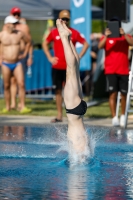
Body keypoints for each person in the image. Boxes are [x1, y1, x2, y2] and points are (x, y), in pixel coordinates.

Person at [42, 10, 89, 123]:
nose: (65, 21)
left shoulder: (73, 32)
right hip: (58, 66)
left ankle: (73, 115)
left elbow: (86, 44)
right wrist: (50, 57)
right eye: (63, 19)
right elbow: (44, 43)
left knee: (73, 92)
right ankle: (59, 115)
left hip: (69, 68)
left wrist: (79, 56)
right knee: (58, 91)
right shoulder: (54, 32)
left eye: (67, 19)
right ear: (59, 19)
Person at [56, 19, 90, 163]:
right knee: (71, 70)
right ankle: (65, 37)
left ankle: (68, 38)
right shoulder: (79, 156)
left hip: (79, 112)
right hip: (73, 111)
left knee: (73, 70)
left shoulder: (85, 151)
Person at [98, 19, 133, 127]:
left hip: (123, 70)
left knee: (124, 94)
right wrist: (107, 36)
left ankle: (123, 115)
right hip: (111, 70)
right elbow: (99, 46)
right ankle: (114, 117)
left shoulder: (125, 37)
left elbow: (131, 43)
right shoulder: (106, 37)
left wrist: (125, 35)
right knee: (112, 93)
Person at [0, 15, 31, 113]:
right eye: (12, 24)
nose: (14, 25)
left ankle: (23, 106)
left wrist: (25, 54)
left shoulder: (19, 34)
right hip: (6, 63)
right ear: (7, 24)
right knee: (6, 85)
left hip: (17, 62)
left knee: (21, 84)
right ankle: (8, 107)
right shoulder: (2, 35)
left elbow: (29, 42)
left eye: (15, 23)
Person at [9, 7, 33, 110]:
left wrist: (30, 56)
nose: (16, 16)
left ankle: (21, 104)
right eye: (14, 14)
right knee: (12, 80)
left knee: (21, 81)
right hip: (11, 56)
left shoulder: (24, 27)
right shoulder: (8, 27)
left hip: (22, 56)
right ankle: (13, 103)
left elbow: (30, 43)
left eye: (18, 14)